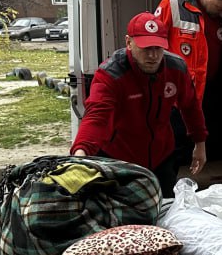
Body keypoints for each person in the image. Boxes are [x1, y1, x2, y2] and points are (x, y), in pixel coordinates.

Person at [70, 11, 207, 197]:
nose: (153, 55)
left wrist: (200, 144)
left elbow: (190, 106)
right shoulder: (111, 74)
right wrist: (80, 154)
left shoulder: (176, 68)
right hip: (119, 160)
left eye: (158, 48)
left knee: (165, 206)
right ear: (129, 42)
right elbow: (96, 116)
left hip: (161, 157)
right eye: (146, 48)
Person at [155, 0, 222, 162]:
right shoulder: (174, 4)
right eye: (220, 8)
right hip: (177, 90)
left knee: (206, 140)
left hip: (209, 89)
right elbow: (155, 41)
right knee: (176, 143)